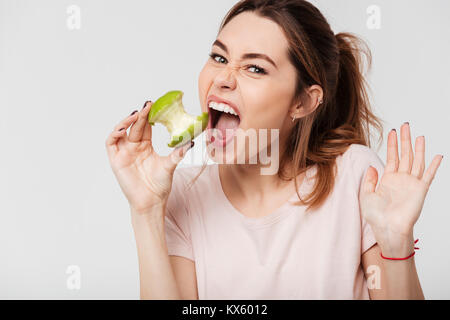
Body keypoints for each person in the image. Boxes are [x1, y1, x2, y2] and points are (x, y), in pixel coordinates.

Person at [105, 0, 443, 299]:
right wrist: (146, 210)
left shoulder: (356, 177)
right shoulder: (184, 195)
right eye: (218, 57)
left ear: (303, 102)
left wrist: (397, 244)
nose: (223, 78)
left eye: (255, 68)